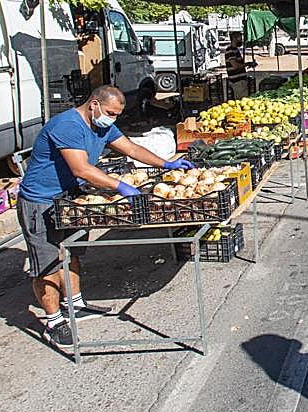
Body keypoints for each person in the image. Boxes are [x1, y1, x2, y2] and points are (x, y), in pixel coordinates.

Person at [17, 86, 195, 347]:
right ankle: (53, 322)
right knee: (47, 265)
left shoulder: (102, 125)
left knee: (72, 252)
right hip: (40, 202)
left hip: (70, 196)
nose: (112, 118)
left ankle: (75, 304)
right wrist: (119, 186)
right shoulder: (68, 126)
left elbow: (132, 149)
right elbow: (81, 168)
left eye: (116, 115)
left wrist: (166, 164)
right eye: (110, 113)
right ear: (94, 105)